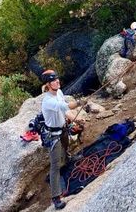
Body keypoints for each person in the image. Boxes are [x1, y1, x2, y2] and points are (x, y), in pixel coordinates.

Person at [41, 69, 84, 210]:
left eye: (57, 79)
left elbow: (65, 111)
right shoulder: (48, 101)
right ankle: (56, 197)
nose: (57, 81)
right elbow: (65, 106)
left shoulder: (59, 93)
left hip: (62, 129)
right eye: (53, 80)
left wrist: (76, 119)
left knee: (65, 148)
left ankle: (68, 160)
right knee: (55, 166)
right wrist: (79, 103)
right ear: (48, 85)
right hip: (53, 135)